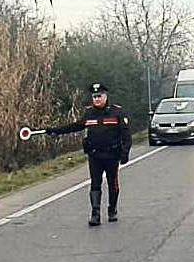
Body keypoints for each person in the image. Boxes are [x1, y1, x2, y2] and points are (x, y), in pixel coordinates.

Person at [47, 83, 132, 226]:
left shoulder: (116, 112)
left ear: (105, 96)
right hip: (95, 155)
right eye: (94, 97)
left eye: (99, 96)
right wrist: (55, 130)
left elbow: (126, 135)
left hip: (112, 155)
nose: (97, 99)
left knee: (113, 184)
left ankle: (112, 210)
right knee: (95, 183)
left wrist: (125, 153)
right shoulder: (89, 113)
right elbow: (75, 126)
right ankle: (95, 214)